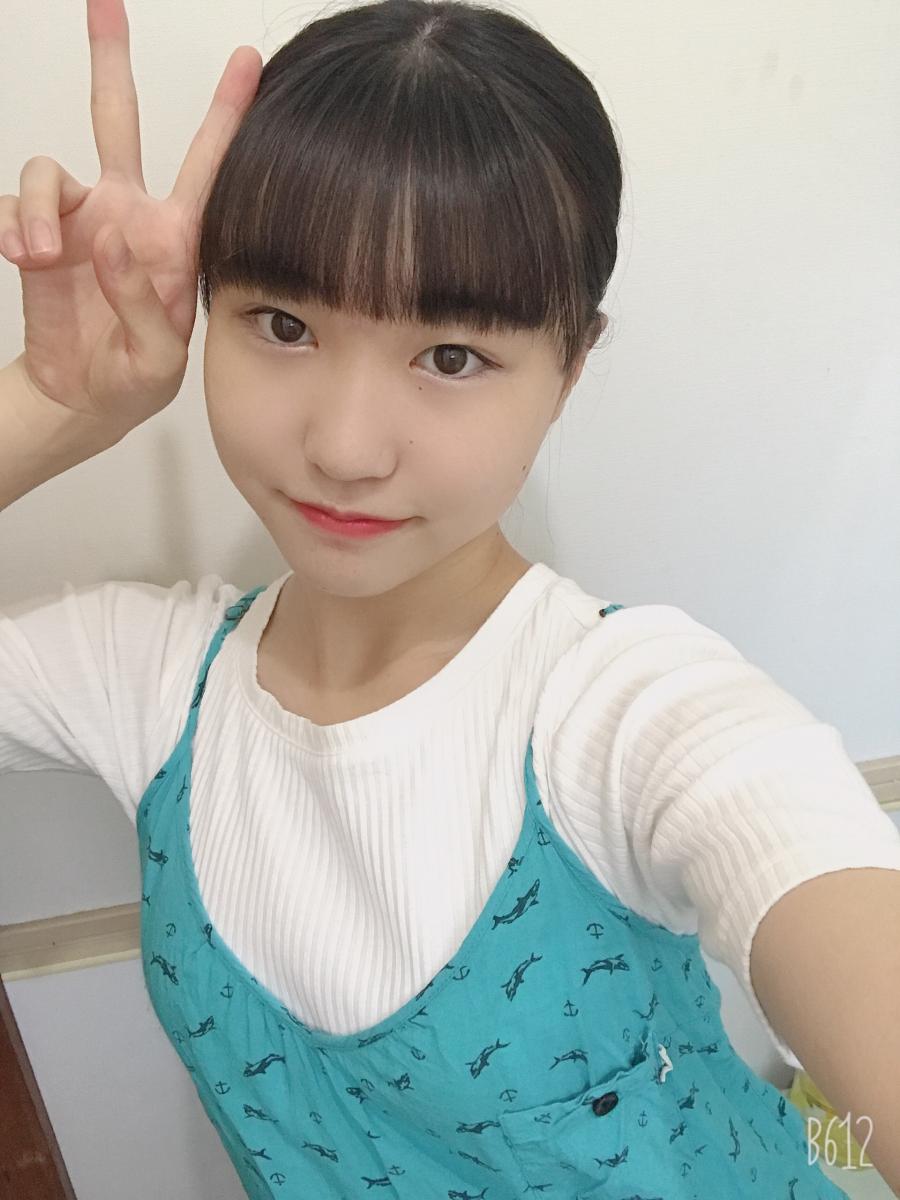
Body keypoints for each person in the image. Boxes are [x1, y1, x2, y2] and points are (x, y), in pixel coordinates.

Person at [1, 1, 898, 1196]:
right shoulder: (150, 683)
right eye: (283, 324)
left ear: (569, 368)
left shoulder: (624, 713)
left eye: (452, 356)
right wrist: (50, 408)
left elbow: (794, 847)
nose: (346, 446)